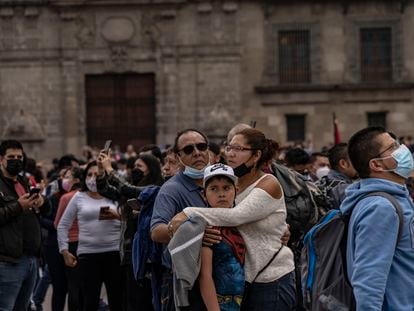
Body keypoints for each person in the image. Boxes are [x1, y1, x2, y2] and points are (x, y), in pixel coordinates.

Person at [171, 128, 296, 310]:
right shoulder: (232, 183)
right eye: (229, 147)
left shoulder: (268, 183)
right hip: (245, 285)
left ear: (255, 156)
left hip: (272, 279)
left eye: (238, 149)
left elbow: (236, 216)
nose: (230, 153)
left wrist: (188, 213)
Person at [340, 126, 414, 309]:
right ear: (376, 164)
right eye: (393, 147)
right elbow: (368, 279)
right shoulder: (381, 208)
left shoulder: (392, 197)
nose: (402, 149)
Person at [151, 129, 212, 311]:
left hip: (219, 277)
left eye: (201, 146)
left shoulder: (223, 181)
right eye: (188, 149)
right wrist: (190, 232)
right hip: (185, 281)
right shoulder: (171, 190)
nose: (197, 152)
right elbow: (156, 231)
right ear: (178, 157)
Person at [57, 161, 122, 311]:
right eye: (89, 174)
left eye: (97, 175)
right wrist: (64, 251)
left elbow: (130, 219)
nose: (93, 178)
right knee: (89, 302)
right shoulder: (79, 197)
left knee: (117, 300)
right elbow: (62, 225)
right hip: (88, 255)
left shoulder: (114, 196)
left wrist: (118, 215)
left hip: (114, 254)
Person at [0, 139, 49, 310]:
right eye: (11, 157)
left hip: (31, 260)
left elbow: (47, 210)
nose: (16, 160)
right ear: (1, 159)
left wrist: (41, 202)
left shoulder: (23, 182)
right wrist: (18, 206)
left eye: (19, 157)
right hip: (8, 261)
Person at [198, 163, 245, 311]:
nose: (221, 194)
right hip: (220, 303)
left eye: (226, 188)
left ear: (236, 191)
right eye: (214, 189)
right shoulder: (208, 228)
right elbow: (205, 276)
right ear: (204, 194)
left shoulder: (244, 220)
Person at [54, 167, 84, 311]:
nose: (64, 180)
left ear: (77, 180)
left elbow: (57, 224)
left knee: (73, 285)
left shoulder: (66, 198)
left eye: (68, 176)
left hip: (72, 244)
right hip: (87, 244)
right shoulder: (89, 196)